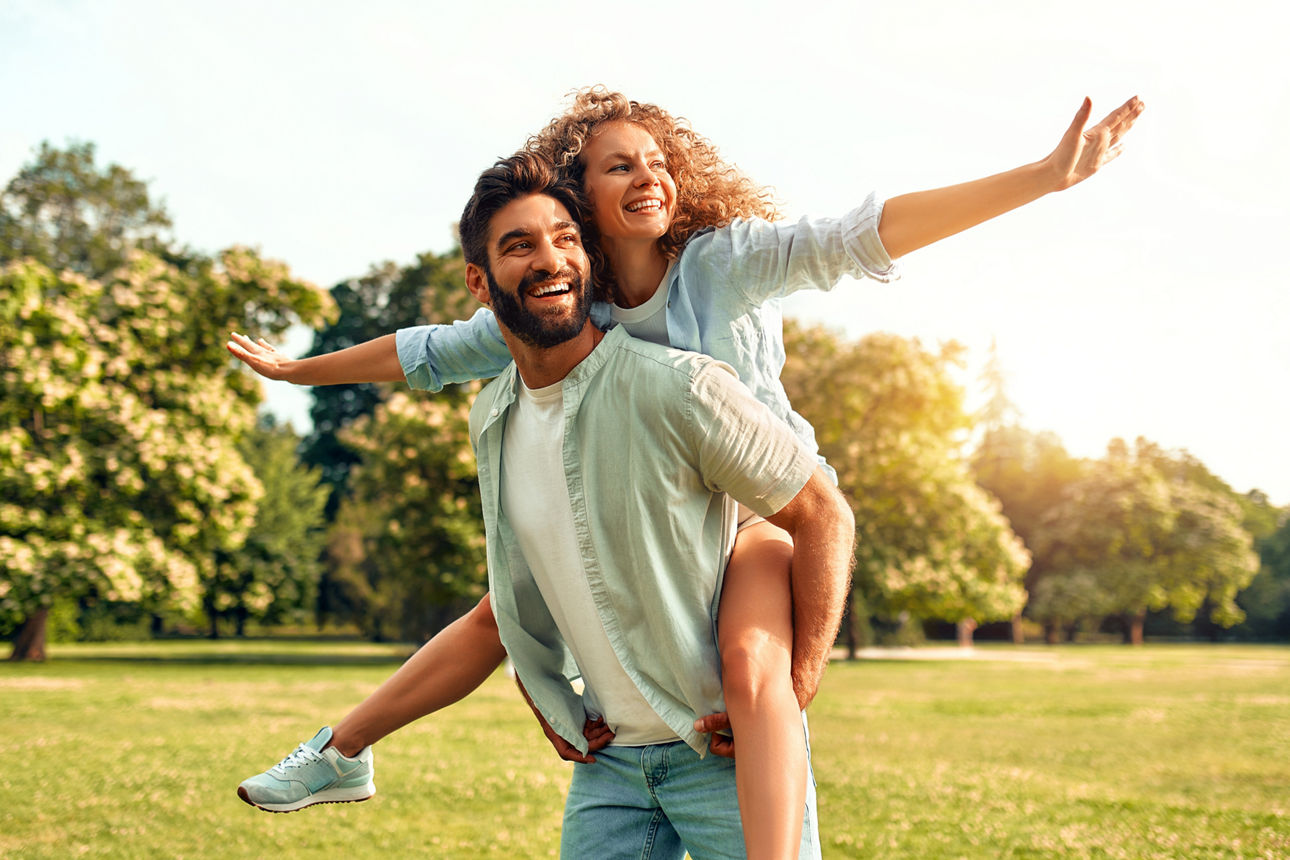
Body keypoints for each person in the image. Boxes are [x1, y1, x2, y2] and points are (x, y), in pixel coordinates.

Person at [231, 88, 1143, 855]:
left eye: (659, 160)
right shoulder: (563, 295)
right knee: (504, 610)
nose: (649, 175)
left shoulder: (723, 263)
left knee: (754, 671)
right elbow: (428, 350)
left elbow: (864, 236)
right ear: (581, 197)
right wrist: (297, 371)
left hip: (758, 518)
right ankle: (342, 748)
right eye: (620, 164)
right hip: (652, 524)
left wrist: (1043, 177)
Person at [245, 152, 856, 858]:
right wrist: (550, 695)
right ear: (478, 281)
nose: (550, 259)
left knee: (754, 662)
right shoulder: (495, 416)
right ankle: (341, 750)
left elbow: (821, 513)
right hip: (613, 768)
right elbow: (519, 596)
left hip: (721, 750)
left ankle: (342, 749)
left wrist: (799, 678)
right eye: (520, 245)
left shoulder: (682, 386)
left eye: (565, 238)